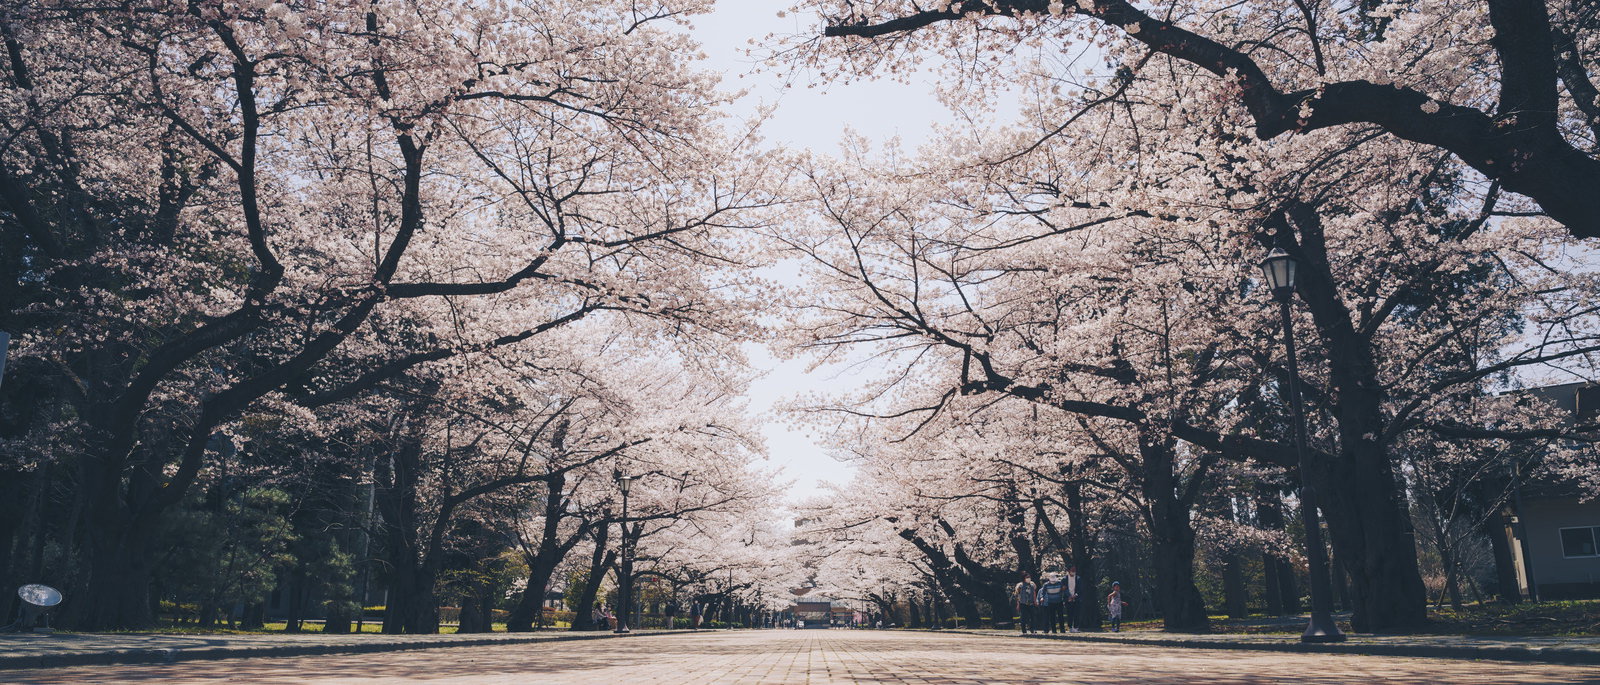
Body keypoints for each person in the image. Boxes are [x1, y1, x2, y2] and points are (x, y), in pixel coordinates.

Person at [1063, 565, 1080, 632]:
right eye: (1072, 570)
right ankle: (1070, 627)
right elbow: (1064, 589)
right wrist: (1069, 596)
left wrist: (1075, 595)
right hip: (1068, 599)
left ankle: (1076, 627)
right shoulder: (1064, 579)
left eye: (1074, 570)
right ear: (1069, 570)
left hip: (1076, 598)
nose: (1074, 571)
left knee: (1077, 613)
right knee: (1069, 613)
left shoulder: (1078, 578)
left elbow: (1080, 589)